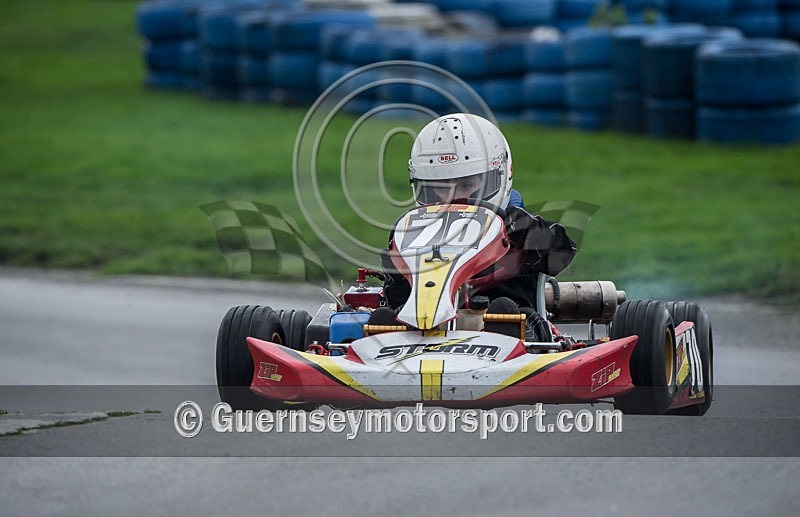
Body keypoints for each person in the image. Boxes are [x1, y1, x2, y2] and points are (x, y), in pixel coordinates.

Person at [380, 113, 577, 340]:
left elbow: (563, 252)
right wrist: (397, 275)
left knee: (509, 312)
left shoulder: (515, 222)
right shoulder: (413, 232)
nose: (453, 196)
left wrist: (524, 231)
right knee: (386, 318)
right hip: (422, 332)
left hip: (512, 334)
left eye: (465, 185)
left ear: (499, 175)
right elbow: (398, 298)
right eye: (441, 187)